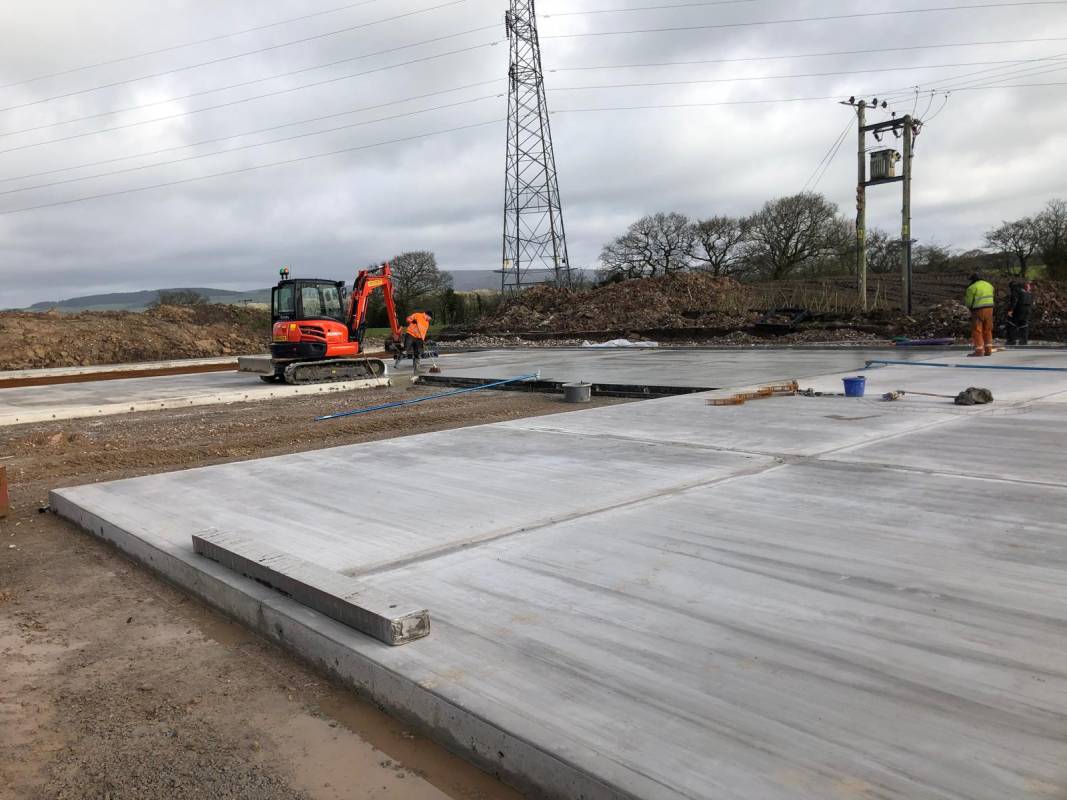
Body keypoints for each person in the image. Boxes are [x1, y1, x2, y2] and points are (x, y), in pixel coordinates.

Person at [963, 273, 996, 357]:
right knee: (988, 329)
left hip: (978, 310)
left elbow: (969, 302)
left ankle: (979, 351)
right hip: (990, 309)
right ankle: (988, 350)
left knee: (977, 330)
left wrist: (970, 308)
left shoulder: (971, 288)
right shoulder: (989, 285)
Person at [1006, 280, 1033, 346]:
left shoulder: (1015, 290)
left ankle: (1011, 341)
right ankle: (1023, 341)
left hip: (1019, 309)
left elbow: (1014, 301)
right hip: (1027, 310)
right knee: (1024, 325)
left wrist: (1010, 310)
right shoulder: (1025, 290)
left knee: (1012, 324)